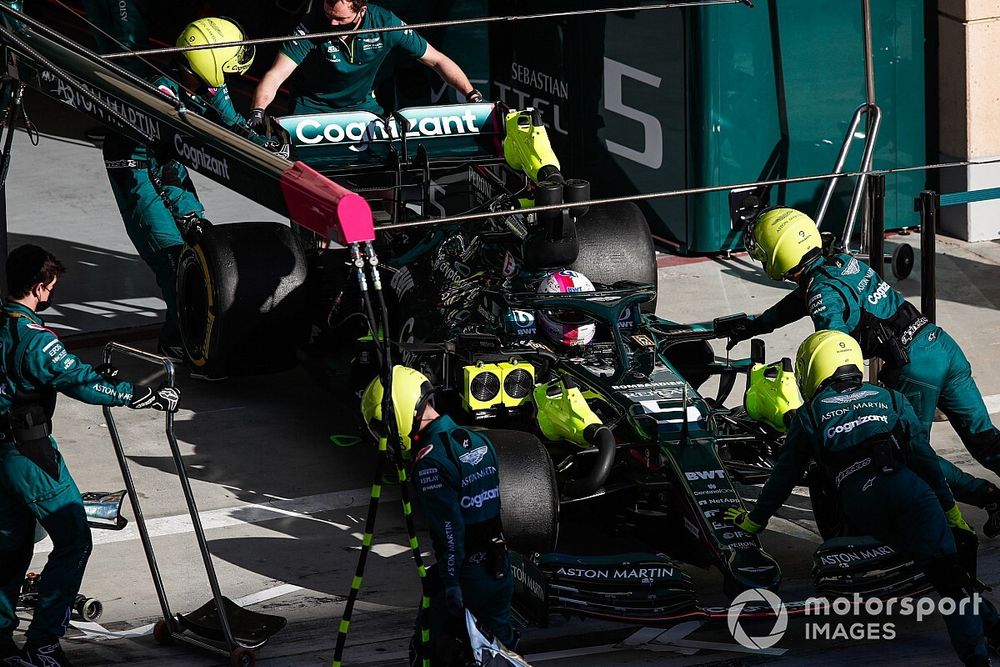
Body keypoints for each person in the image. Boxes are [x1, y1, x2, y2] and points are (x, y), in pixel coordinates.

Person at [726, 330, 999, 666]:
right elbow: (925, 461)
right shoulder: (892, 398)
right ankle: (981, 650)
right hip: (912, 494)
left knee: (944, 575)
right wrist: (952, 512)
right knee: (950, 578)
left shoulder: (810, 413)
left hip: (862, 507)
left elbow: (783, 477)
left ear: (811, 369)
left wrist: (754, 521)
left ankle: (985, 640)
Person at [725, 207, 1000, 535]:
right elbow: (799, 301)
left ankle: (984, 495)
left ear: (780, 253)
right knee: (986, 440)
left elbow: (833, 353)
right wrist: (756, 326)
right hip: (941, 345)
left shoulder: (821, 292)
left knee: (909, 453)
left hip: (914, 368)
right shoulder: (839, 263)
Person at [0, 245, 179, 667]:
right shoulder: (36, 339)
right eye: (52, 287)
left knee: (9, 545)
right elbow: (80, 383)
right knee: (74, 539)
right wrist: (140, 394)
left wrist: (94, 374)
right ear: (41, 287)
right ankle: (43, 645)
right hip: (30, 454)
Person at [101, 17, 263, 360]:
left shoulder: (204, 81)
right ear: (211, 61)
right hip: (136, 169)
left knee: (203, 244)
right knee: (173, 259)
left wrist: (264, 142)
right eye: (229, 66)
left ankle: (184, 333)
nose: (231, 76)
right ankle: (183, 342)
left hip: (166, 163)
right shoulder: (160, 92)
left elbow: (232, 124)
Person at [359, 366, 514, 665]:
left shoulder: (431, 462)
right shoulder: (480, 441)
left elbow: (450, 529)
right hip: (499, 570)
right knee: (501, 652)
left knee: (429, 650)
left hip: (466, 578)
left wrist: (451, 582)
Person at [248, 0, 484, 122]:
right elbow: (276, 74)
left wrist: (471, 94)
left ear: (361, 11)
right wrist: (257, 112)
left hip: (361, 106)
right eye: (329, 15)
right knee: (312, 184)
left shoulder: (385, 21)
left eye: (340, 19)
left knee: (387, 173)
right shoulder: (310, 26)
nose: (331, 24)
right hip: (310, 108)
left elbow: (437, 60)